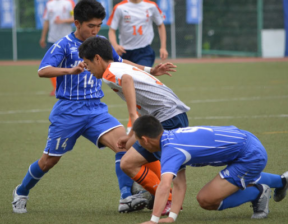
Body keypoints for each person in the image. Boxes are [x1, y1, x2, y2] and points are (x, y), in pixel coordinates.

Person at [12, 0, 175, 214]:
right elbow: (43, 71)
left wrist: (149, 70)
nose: (95, 30)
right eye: (91, 26)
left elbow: (119, 61)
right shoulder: (63, 44)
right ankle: (21, 191)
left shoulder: (99, 42)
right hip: (68, 110)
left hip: (96, 110)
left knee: (124, 146)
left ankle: (126, 197)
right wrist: (69, 71)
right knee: (49, 161)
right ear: (77, 23)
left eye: (99, 26)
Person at [78, 36, 189, 215]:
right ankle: (165, 196)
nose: (87, 68)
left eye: (87, 63)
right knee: (131, 156)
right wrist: (131, 136)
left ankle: (167, 199)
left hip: (168, 117)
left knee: (129, 163)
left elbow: (128, 79)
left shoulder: (109, 74)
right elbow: (132, 75)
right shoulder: (118, 66)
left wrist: (132, 115)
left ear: (97, 58)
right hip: (172, 114)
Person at [132, 115, 288, 224]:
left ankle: (258, 192)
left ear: (145, 139)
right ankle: (280, 181)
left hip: (250, 156)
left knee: (206, 200)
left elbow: (165, 185)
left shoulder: (170, 150)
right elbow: (179, 184)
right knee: (242, 176)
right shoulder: (169, 137)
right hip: (246, 140)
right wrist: (171, 217)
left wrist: (153, 220)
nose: (138, 144)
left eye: (138, 140)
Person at [107, 0, 169, 132]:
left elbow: (161, 25)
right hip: (125, 53)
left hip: (144, 52)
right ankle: (138, 119)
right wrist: (115, 46)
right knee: (128, 87)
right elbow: (111, 30)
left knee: (139, 84)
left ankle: (133, 125)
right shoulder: (120, 8)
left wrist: (163, 47)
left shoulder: (151, 6)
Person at [39, 0, 76, 96]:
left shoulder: (69, 3)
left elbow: (75, 18)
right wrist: (43, 37)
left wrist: (62, 21)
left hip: (66, 39)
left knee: (68, 64)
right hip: (52, 39)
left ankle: (69, 86)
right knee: (50, 65)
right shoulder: (49, 4)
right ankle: (56, 88)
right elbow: (46, 21)